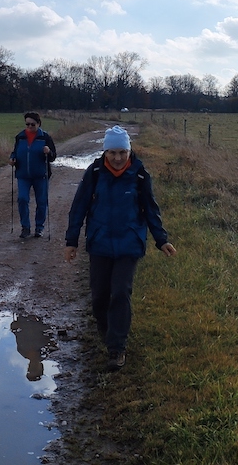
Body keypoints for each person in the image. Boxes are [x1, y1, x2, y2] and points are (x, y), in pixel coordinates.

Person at [64, 125, 176, 371]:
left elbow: (151, 210)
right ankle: (108, 333)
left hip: (129, 244)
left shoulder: (139, 175)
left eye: (122, 152)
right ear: (105, 152)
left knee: (120, 292)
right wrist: (72, 241)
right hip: (100, 243)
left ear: (129, 151)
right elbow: (79, 207)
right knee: (99, 297)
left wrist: (161, 239)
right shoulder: (94, 173)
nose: (117, 158)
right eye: (112, 152)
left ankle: (117, 348)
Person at [9, 112, 56, 239]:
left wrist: (49, 151)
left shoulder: (45, 137)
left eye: (32, 124)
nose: (29, 126)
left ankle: (39, 228)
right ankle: (25, 228)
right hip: (23, 175)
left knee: (41, 202)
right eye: (27, 124)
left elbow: (53, 157)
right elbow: (15, 152)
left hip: (41, 175)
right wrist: (12, 159)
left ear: (39, 124)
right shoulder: (20, 137)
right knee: (22, 199)